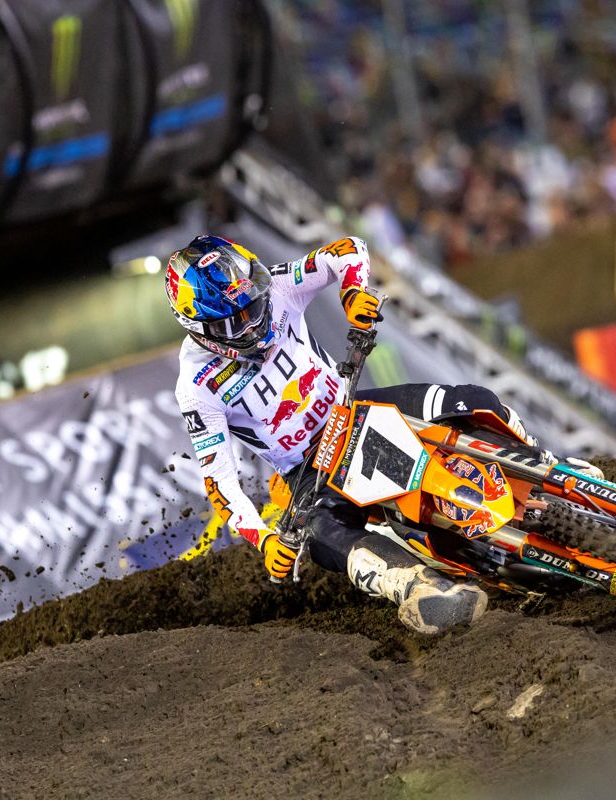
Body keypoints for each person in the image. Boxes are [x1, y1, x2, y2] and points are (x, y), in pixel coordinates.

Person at [168, 234, 541, 634]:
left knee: (474, 400)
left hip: (352, 406)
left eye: (253, 304)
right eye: (233, 320)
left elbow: (347, 249)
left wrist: (352, 292)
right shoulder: (195, 386)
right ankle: (418, 588)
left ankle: (542, 470)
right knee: (320, 537)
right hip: (309, 469)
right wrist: (264, 540)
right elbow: (219, 481)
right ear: (198, 328)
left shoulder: (276, 285)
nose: (252, 322)